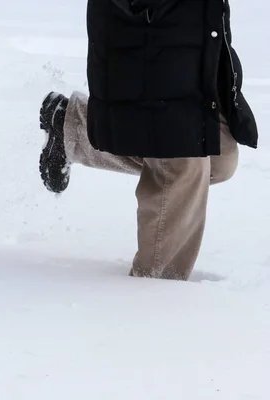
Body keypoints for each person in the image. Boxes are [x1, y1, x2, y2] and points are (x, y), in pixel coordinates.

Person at [38, 0, 258, 280]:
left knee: (219, 159)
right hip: (150, 38)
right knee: (181, 160)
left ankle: (72, 126)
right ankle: (155, 292)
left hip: (194, 40)